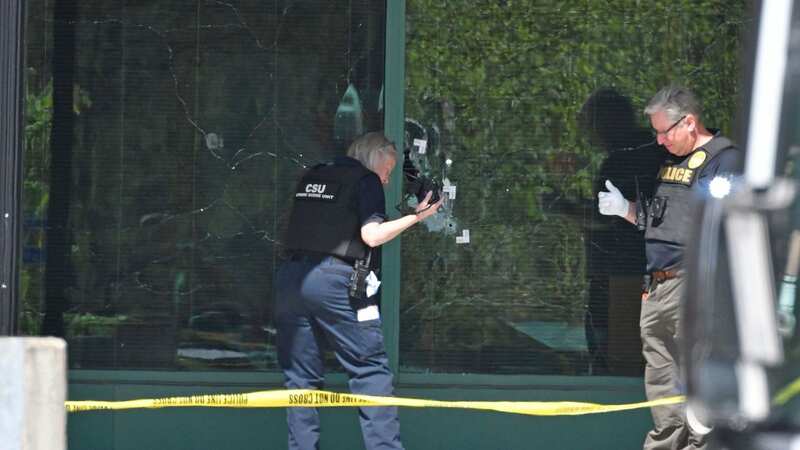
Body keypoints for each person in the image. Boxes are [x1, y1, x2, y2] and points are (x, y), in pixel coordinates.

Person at [275, 131, 443, 450]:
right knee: (369, 371)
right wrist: (417, 216)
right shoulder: (364, 179)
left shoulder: (313, 174)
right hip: (334, 281)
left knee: (301, 380)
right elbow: (373, 236)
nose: (386, 179)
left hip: (291, 280)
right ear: (375, 157)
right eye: (388, 170)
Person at [597, 85, 739, 450]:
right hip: (657, 287)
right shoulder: (673, 162)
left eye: (665, 131)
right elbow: (664, 222)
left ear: (689, 122)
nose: (659, 141)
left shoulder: (723, 161)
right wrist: (625, 209)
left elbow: (726, 229)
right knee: (662, 383)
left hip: (695, 286)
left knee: (698, 389)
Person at [579, 88, 666, 374]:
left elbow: (603, 218)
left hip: (623, 276)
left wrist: (561, 209)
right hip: (654, 271)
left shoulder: (622, 159)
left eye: (589, 125)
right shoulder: (658, 152)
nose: (588, 135)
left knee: (615, 358)